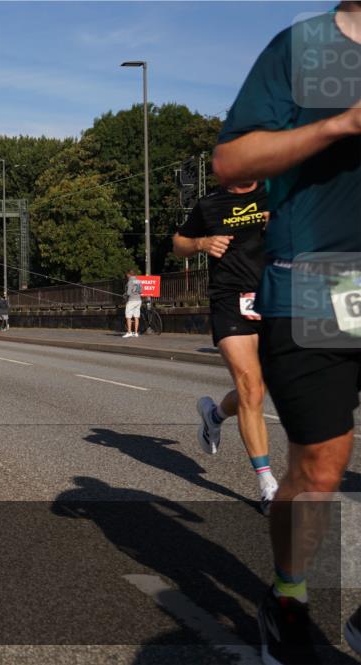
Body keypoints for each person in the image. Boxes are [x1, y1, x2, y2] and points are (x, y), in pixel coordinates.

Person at [211, 5, 361, 663]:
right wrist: (340, 124)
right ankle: (289, 595)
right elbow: (232, 158)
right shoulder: (306, 47)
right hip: (317, 282)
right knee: (321, 467)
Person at [173, 181, 278, 514]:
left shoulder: (277, 190)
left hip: (277, 295)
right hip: (229, 299)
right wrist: (202, 243)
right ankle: (267, 483)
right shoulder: (210, 203)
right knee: (251, 388)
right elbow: (178, 243)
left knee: (263, 386)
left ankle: (214, 414)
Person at [123, 270, 142, 338]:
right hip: (138, 300)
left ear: (129, 274)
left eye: (127, 275)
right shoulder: (139, 281)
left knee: (128, 317)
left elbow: (128, 293)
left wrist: (124, 295)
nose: (126, 276)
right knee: (136, 317)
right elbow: (141, 291)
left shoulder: (130, 281)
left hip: (131, 301)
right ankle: (136, 333)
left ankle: (129, 332)